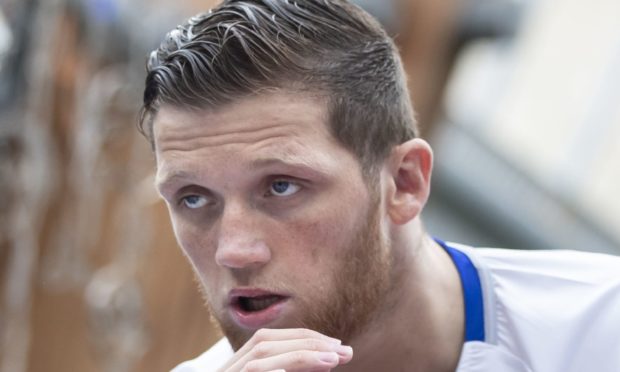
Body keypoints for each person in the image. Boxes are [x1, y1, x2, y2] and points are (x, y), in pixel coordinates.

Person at [138, 1, 620, 371]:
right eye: (194, 198)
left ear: (405, 183)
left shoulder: (601, 327)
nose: (235, 251)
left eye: (281, 186)